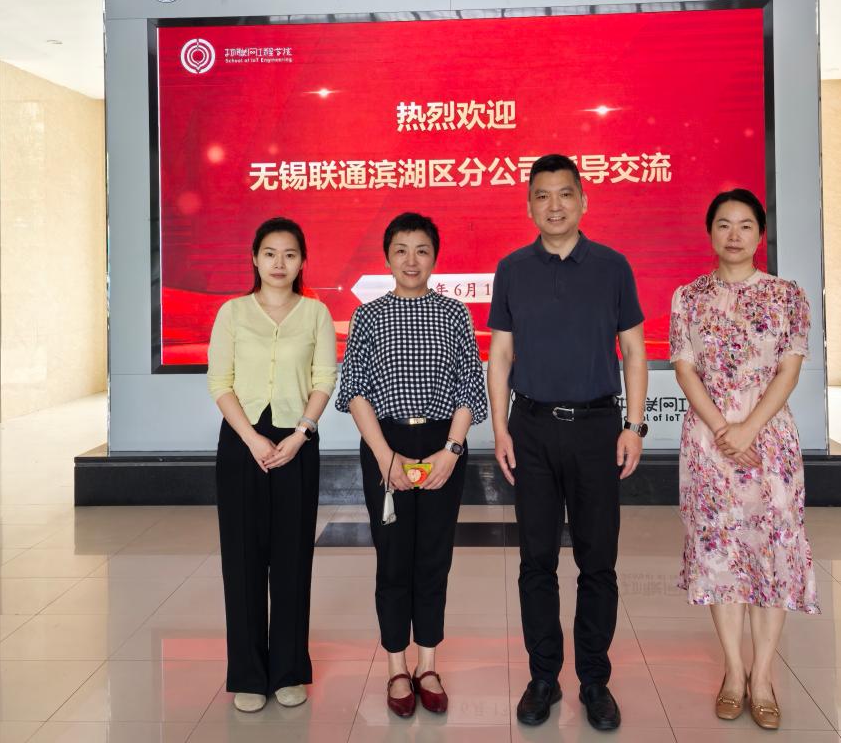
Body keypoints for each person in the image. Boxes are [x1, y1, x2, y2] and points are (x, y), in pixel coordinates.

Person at [487, 154, 648, 732]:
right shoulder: (512, 269)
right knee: (536, 560)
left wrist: (634, 426)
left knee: (597, 560)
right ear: (529, 205)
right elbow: (500, 355)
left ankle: (595, 681)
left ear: (583, 200)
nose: (553, 205)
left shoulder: (613, 266)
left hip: (597, 428)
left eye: (564, 194)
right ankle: (543, 677)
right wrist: (500, 428)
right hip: (530, 428)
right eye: (542, 195)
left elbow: (634, 352)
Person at [669, 189, 819, 731]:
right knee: (720, 554)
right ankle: (734, 673)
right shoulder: (688, 297)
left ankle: (764, 676)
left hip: (769, 442)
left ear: (760, 234)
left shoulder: (787, 296)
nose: (734, 235)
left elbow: (789, 370)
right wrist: (721, 430)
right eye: (724, 225)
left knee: (771, 554)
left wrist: (748, 428)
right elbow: (685, 368)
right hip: (709, 445)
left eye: (746, 225)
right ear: (710, 231)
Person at [336, 212, 487, 718]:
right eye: (401, 250)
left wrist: (453, 449)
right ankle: (397, 667)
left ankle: (428, 665)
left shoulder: (455, 313)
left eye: (421, 249)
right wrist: (385, 456)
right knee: (393, 558)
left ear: (435, 258)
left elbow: (470, 386)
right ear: (387, 258)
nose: (411, 260)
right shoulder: (368, 316)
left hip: (443, 443)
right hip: (387, 443)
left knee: (434, 558)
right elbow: (355, 389)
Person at [207, 217, 337, 713]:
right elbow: (219, 381)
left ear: (302, 262)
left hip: (297, 443)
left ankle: (288, 670)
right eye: (270, 253)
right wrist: (251, 438)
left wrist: (301, 434)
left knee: (291, 559)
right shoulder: (232, 313)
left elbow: (324, 378)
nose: (279, 263)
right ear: (255, 259)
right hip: (242, 442)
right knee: (242, 560)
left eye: (289, 254)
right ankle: (247, 673)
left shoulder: (316, 314)